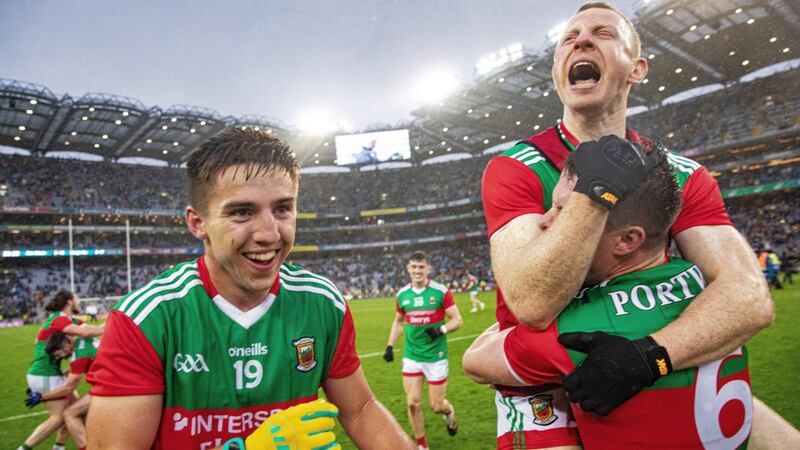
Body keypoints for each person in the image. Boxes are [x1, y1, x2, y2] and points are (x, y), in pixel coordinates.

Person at [480, 1, 774, 439]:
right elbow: (534, 304)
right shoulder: (517, 166)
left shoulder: (680, 175)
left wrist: (650, 355)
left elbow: (749, 295)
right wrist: (596, 191)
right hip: (542, 385)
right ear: (559, 71)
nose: (580, 39)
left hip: (643, 358)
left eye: (603, 33)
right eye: (568, 39)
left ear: (637, 69)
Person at [86, 129, 414, 450]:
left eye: (283, 208)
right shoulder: (146, 320)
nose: (270, 234)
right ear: (197, 222)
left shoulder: (322, 302)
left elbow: (360, 410)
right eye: (242, 212)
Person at [465, 149, 759, 448]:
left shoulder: (578, 331)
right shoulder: (714, 292)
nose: (543, 221)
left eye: (567, 214)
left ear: (627, 239)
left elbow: (476, 362)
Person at [383, 251, 463, 450]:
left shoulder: (440, 292)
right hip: (412, 356)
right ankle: (422, 445)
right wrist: (390, 346)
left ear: (428, 269)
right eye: (414, 267)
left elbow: (458, 320)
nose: (417, 271)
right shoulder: (402, 294)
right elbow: (398, 322)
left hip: (436, 357)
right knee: (412, 403)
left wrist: (441, 330)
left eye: (421, 267)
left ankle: (449, 412)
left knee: (436, 406)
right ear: (408, 269)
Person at [19, 290, 104, 450]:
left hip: (49, 374)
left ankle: (59, 447)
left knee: (75, 412)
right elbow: (86, 332)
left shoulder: (69, 320)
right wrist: (114, 326)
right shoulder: (58, 319)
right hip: (45, 374)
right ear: (70, 301)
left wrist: (108, 326)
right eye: (77, 299)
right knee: (59, 417)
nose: (79, 302)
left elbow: (92, 328)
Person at [25, 332, 99, 450]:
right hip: (116, 378)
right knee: (78, 412)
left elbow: (68, 388)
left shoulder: (78, 356)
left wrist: (41, 396)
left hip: (111, 385)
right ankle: (59, 447)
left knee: (70, 414)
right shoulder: (82, 341)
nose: (61, 357)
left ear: (65, 344)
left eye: (61, 353)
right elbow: (75, 370)